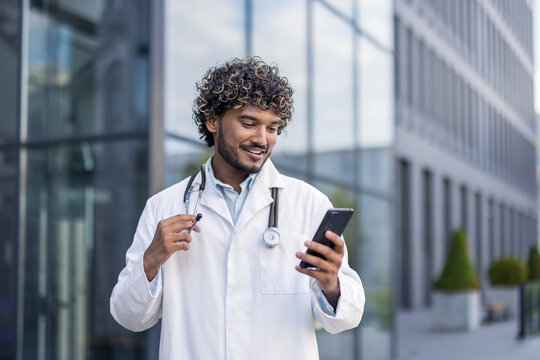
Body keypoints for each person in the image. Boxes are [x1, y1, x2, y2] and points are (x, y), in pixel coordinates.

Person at [110, 57, 365, 359]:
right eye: (249, 123)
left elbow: (346, 317)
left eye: (273, 128)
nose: (262, 139)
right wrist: (151, 260)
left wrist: (331, 284)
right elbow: (128, 316)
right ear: (213, 121)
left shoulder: (310, 204)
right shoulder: (164, 206)